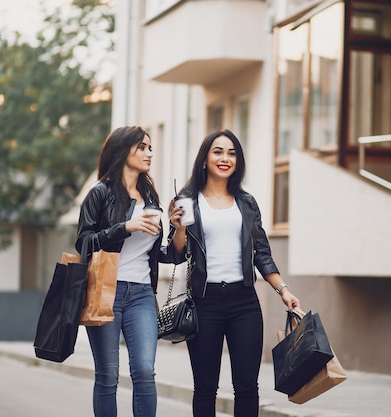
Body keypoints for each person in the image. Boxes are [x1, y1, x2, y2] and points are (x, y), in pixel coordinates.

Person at [166, 129, 301, 417]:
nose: (225, 158)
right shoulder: (188, 200)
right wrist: (178, 228)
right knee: (204, 388)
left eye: (232, 153)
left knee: (247, 387)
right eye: (218, 151)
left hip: (244, 303)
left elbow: (262, 253)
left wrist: (283, 290)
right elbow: (176, 255)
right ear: (204, 158)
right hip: (204, 303)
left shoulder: (247, 203)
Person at [75, 126, 177, 417]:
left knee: (145, 371)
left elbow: (163, 254)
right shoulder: (100, 193)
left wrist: (177, 227)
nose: (149, 153)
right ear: (123, 150)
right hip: (105, 291)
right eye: (142, 147)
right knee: (107, 375)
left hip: (142, 293)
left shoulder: (151, 198)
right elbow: (83, 242)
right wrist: (124, 227)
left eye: (150, 148)